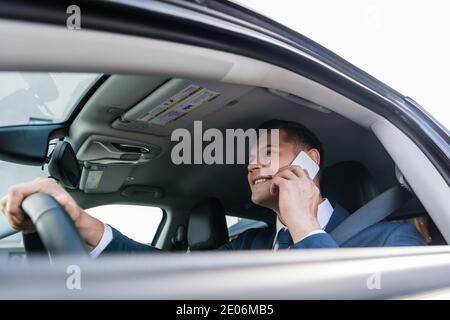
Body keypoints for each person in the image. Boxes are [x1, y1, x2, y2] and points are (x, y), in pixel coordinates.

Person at [0, 119, 425, 255]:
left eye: (268, 152)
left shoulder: (390, 239)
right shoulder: (252, 244)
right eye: (248, 157)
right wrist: (78, 219)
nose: (252, 163)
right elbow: (168, 277)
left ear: (308, 162)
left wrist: (305, 229)